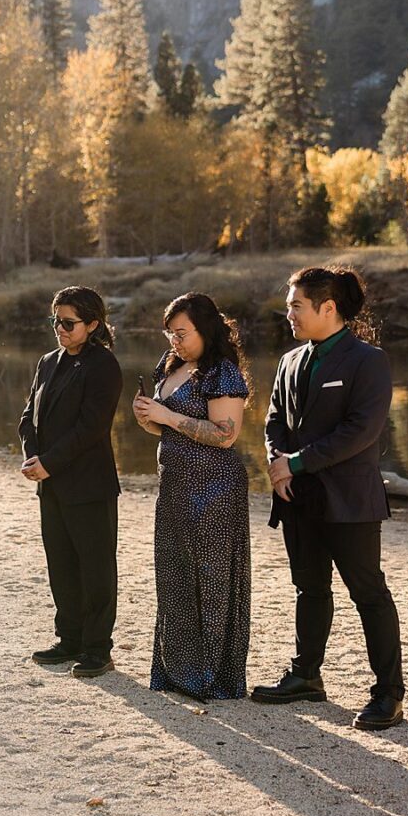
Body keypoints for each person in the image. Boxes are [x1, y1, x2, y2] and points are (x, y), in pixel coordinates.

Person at [253, 265, 405, 730]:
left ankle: (389, 695)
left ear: (328, 308)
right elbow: (273, 421)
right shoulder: (289, 361)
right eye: (289, 306)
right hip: (297, 497)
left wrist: (296, 463)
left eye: (296, 306)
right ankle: (306, 676)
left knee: (369, 594)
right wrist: (277, 463)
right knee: (309, 588)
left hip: (349, 500)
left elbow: (361, 431)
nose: (289, 314)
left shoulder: (368, 361)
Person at [132, 292, 252, 701]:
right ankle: (178, 672)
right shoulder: (171, 365)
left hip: (214, 488)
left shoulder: (222, 372)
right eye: (170, 333)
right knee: (175, 575)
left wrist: (166, 415)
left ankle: (212, 677)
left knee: (211, 580)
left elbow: (225, 435)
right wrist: (148, 418)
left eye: (182, 333)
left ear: (206, 329)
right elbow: (164, 428)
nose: (175, 341)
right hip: (174, 485)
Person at [20, 286, 123, 678]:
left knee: (95, 569)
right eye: (55, 321)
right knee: (61, 565)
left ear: (92, 324)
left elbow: (91, 428)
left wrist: (49, 462)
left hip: (89, 485)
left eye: (68, 323)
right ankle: (69, 640)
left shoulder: (103, 365)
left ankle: (97, 649)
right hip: (50, 484)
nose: (59, 329)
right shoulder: (48, 361)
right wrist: (32, 456)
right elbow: (29, 417)